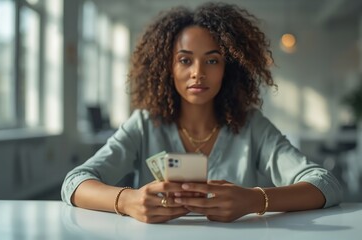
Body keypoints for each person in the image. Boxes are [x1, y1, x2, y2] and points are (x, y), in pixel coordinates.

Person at [61, 2, 342, 223]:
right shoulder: (145, 124)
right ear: (167, 68)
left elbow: (325, 184)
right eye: (185, 60)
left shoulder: (251, 125)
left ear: (228, 68)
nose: (198, 73)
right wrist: (127, 201)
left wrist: (254, 200)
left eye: (212, 60)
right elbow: (74, 182)